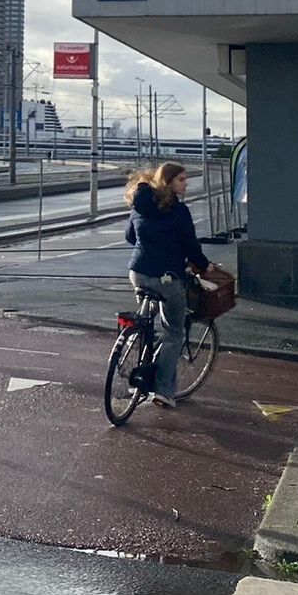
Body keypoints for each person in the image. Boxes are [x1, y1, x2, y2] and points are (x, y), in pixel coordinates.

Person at [124, 161, 233, 410]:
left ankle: (136, 343)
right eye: (182, 179)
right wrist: (205, 266)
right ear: (169, 181)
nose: (186, 183)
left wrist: (150, 244)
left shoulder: (140, 204)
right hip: (168, 276)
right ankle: (163, 391)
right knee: (174, 331)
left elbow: (130, 237)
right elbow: (190, 247)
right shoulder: (179, 211)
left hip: (138, 272)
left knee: (147, 317)